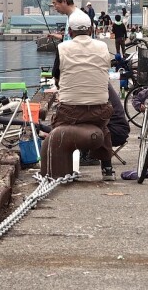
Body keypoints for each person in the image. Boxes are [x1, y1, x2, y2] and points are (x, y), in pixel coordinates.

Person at [49, 10, 115, 180]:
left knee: (57, 127)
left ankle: (62, 168)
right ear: (91, 29)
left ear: (70, 32)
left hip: (70, 110)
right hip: (100, 110)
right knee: (103, 129)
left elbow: (56, 74)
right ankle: (107, 170)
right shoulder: (103, 47)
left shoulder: (62, 47)